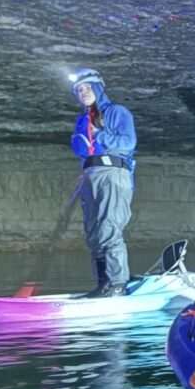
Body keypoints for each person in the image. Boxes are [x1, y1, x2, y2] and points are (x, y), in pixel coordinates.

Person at [69, 68, 137, 296]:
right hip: (91, 176)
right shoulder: (82, 120)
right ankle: (103, 284)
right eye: (79, 89)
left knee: (109, 227)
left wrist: (100, 134)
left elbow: (127, 142)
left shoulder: (117, 112)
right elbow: (83, 151)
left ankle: (117, 284)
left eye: (88, 87)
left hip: (113, 174)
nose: (83, 92)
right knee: (94, 232)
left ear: (98, 88)